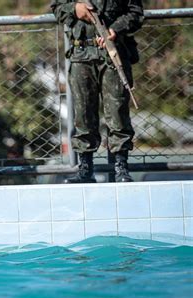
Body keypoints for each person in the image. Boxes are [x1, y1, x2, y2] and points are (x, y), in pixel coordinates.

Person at [51, 0, 144, 183]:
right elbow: (58, 8)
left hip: (113, 52)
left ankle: (120, 166)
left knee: (117, 112)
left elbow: (136, 13)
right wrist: (75, 9)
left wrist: (115, 29)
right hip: (81, 53)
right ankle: (85, 168)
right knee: (83, 113)